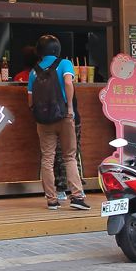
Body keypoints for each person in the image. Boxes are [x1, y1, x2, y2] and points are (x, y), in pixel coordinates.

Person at [27, 35, 88, 210]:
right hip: (64, 117)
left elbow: (30, 100)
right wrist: (69, 108)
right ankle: (77, 197)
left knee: (47, 158)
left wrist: (39, 112)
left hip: (43, 120)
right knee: (69, 157)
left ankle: (52, 200)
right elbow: (68, 83)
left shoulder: (34, 71)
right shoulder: (65, 64)